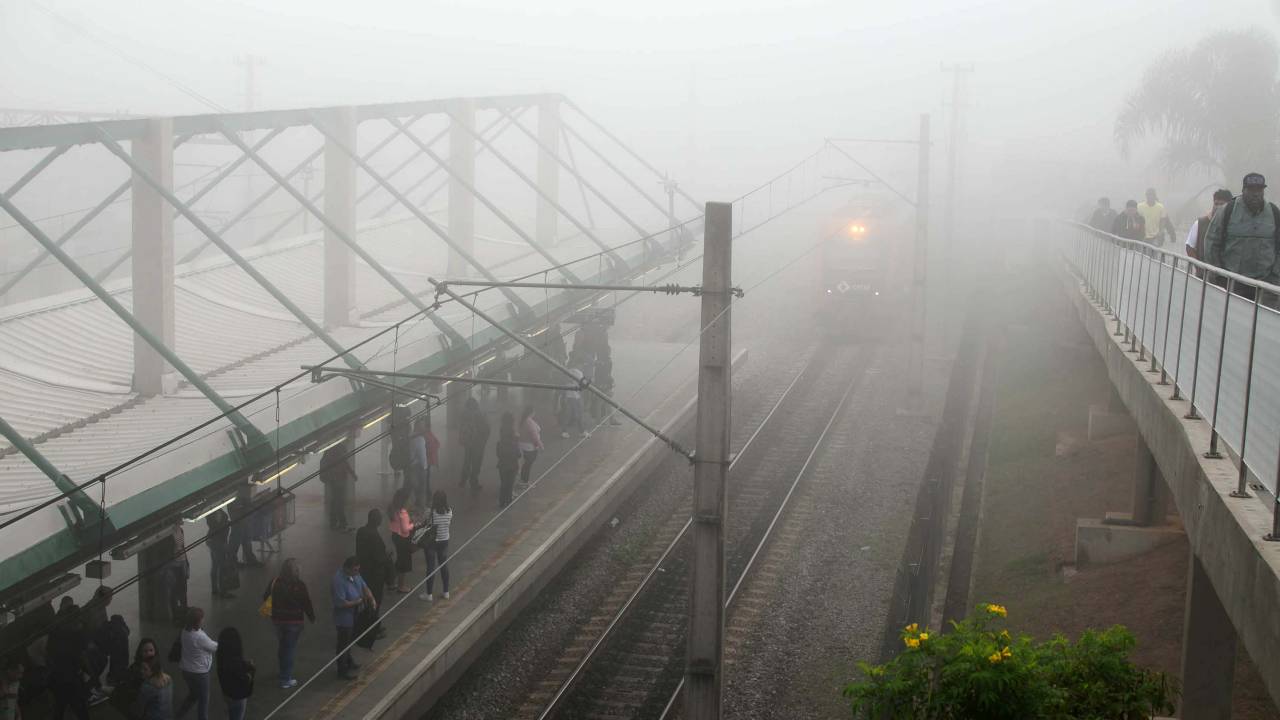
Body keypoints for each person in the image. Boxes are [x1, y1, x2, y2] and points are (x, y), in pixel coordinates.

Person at [1206, 173, 1280, 295]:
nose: (1255, 194)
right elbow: (1212, 243)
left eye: (1259, 189)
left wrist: (1275, 276)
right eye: (1251, 189)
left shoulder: (1274, 213)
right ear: (1243, 190)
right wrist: (1219, 275)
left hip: (1265, 286)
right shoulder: (1227, 210)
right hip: (1231, 284)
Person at [264, 558, 314, 689]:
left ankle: (283, 671)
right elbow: (306, 602)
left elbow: (265, 597)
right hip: (294, 621)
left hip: (277, 620)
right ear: (295, 571)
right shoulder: (299, 585)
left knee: (283, 646)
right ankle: (286, 679)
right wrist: (311, 617)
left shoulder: (274, 582)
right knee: (289, 649)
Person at [331, 557, 376, 681]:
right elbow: (341, 603)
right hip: (344, 618)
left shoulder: (355, 575)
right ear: (347, 568)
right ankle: (342, 670)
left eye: (358, 570)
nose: (357, 573)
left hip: (355, 614)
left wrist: (371, 598)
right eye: (355, 570)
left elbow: (364, 586)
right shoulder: (338, 581)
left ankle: (349, 661)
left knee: (349, 640)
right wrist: (358, 602)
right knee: (343, 644)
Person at [47, 598, 89, 720]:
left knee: (60, 707)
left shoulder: (56, 632)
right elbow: (82, 656)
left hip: (57, 678)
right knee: (80, 710)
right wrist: (91, 675)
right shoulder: (76, 635)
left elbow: (49, 652)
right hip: (70, 679)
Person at [175, 607, 217, 720]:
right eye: (201, 619)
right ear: (197, 621)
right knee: (204, 701)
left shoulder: (184, 630)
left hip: (186, 670)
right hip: (200, 673)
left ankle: (179, 715)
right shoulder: (199, 636)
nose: (203, 620)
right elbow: (214, 647)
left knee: (193, 695)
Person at [354, 509, 388, 644]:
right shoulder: (374, 536)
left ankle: (372, 625)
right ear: (376, 520)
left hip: (363, 572)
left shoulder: (361, 531)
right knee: (375, 602)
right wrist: (386, 558)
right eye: (379, 518)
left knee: (366, 601)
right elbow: (378, 557)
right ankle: (371, 629)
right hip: (375, 576)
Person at [419, 492, 454, 602]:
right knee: (444, 565)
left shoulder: (430, 512)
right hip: (444, 541)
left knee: (430, 567)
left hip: (432, 542)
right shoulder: (449, 511)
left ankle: (429, 594)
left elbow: (423, 522)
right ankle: (446, 592)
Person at [109, 638, 157, 717]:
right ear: (140, 652)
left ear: (155, 651)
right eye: (145, 651)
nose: (148, 653)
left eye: (151, 650)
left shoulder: (156, 667)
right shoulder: (135, 667)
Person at [215, 628, 254, 720]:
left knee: (232, 714)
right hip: (237, 695)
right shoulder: (235, 661)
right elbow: (245, 679)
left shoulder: (221, 656)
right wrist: (250, 670)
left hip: (227, 693)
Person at [1186, 189, 1234, 262]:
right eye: (1216, 203)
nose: (1218, 207)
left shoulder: (1234, 224)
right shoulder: (1200, 223)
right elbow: (1189, 247)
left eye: (1222, 204)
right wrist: (1199, 267)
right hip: (1204, 271)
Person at [320, 439, 357, 532]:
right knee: (339, 502)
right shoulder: (338, 451)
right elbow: (345, 463)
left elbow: (344, 463)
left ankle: (336, 522)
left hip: (336, 480)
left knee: (336, 501)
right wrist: (352, 474)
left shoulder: (331, 452)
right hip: (337, 480)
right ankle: (340, 522)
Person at [458, 397, 490, 492]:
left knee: (467, 461)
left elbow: (461, 427)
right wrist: (484, 441)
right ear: (476, 405)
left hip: (468, 443)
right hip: (478, 444)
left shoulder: (464, 414)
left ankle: (463, 480)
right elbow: (486, 429)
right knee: (476, 463)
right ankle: (473, 482)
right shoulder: (480, 415)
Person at [387, 488, 414, 593]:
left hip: (395, 536)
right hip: (403, 538)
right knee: (404, 562)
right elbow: (405, 528)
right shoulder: (403, 512)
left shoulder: (392, 508)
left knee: (399, 560)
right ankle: (401, 585)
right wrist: (414, 524)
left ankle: (391, 581)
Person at [408, 418, 438, 511]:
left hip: (412, 464)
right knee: (422, 487)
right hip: (420, 466)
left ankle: (418, 503)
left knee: (415, 485)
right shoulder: (420, 439)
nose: (423, 427)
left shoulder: (410, 436)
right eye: (421, 425)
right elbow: (422, 456)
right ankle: (422, 507)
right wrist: (425, 467)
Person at [206, 510, 235, 600]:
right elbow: (221, 530)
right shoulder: (218, 516)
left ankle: (215, 589)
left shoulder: (212, 515)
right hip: (219, 543)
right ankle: (223, 591)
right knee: (222, 567)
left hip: (213, 542)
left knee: (215, 566)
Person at [165, 524, 190, 627]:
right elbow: (166, 550)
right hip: (173, 564)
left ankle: (184, 610)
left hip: (182, 561)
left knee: (183, 588)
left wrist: (186, 561)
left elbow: (182, 546)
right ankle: (176, 616)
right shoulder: (168, 533)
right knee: (174, 591)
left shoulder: (181, 530)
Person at [495, 412, 521, 508]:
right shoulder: (514, 443)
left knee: (503, 484)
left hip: (502, 465)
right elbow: (518, 454)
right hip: (512, 465)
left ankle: (501, 502)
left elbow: (498, 454)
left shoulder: (500, 442)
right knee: (510, 485)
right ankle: (508, 501)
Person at [517, 405, 543, 490]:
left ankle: (523, 480)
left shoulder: (523, 420)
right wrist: (541, 445)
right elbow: (534, 437)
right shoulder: (530, 423)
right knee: (528, 465)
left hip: (523, 445)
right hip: (530, 447)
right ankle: (524, 482)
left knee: (526, 464)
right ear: (531, 412)